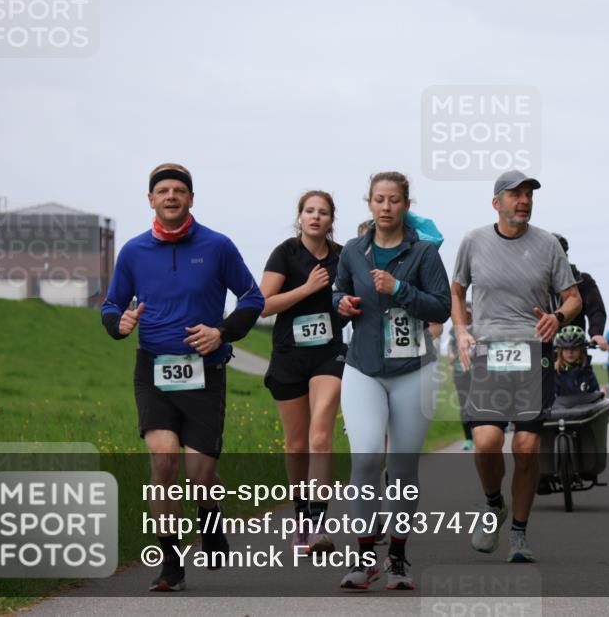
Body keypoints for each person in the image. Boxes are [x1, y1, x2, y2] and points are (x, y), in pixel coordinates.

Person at [100, 163, 264, 592]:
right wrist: (118, 323)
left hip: (205, 371)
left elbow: (253, 297)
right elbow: (111, 305)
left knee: (200, 474)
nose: (171, 196)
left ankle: (210, 519)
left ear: (191, 198)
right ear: (151, 200)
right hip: (153, 369)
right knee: (164, 460)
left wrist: (222, 332)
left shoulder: (217, 246)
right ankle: (171, 563)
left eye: (178, 190)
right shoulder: (133, 251)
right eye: (163, 191)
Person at [451, 170, 582, 564]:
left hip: (533, 353)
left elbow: (573, 298)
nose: (524, 201)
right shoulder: (474, 241)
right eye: (515, 194)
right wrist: (462, 331)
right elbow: (457, 290)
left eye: (528, 195)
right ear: (497, 203)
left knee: (525, 447)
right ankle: (494, 503)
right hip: (488, 353)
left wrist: (558, 317)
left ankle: (519, 534)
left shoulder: (547, 244)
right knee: (487, 441)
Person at [332, 172, 451, 591]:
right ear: (369, 203)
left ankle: (397, 558)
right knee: (365, 457)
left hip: (413, 369)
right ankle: (365, 559)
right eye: (379, 199)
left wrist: (400, 288)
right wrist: (342, 303)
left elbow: (441, 308)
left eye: (394, 200)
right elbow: (338, 290)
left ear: (405, 205)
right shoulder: (353, 251)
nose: (386, 206)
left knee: (401, 466)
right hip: (362, 367)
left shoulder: (424, 253)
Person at [259, 190, 346, 556]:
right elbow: (263, 305)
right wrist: (307, 288)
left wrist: (349, 307)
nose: (315, 217)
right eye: (309, 211)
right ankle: (301, 518)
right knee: (296, 444)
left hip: (329, 354)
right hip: (289, 355)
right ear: (299, 217)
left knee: (320, 435)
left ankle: (319, 523)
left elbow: (352, 297)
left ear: (331, 220)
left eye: (323, 212)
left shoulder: (343, 256)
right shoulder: (285, 253)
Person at [551, 233, 608, 350]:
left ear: (565, 256)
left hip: (574, 346)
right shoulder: (533, 283)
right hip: (541, 345)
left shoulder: (582, 280)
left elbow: (596, 310)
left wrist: (596, 333)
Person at [446, 302, 475, 450]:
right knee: (464, 405)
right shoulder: (454, 330)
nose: (466, 317)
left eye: (469, 314)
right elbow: (450, 347)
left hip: (478, 373)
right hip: (460, 371)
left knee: (480, 402)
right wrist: (451, 355)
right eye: (464, 314)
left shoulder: (478, 329)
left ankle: (482, 433)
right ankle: (469, 439)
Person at [554, 325, 600, 397]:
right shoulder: (555, 374)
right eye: (566, 348)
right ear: (560, 351)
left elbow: (597, 396)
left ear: (581, 350)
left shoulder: (588, 373)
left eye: (574, 348)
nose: (570, 352)